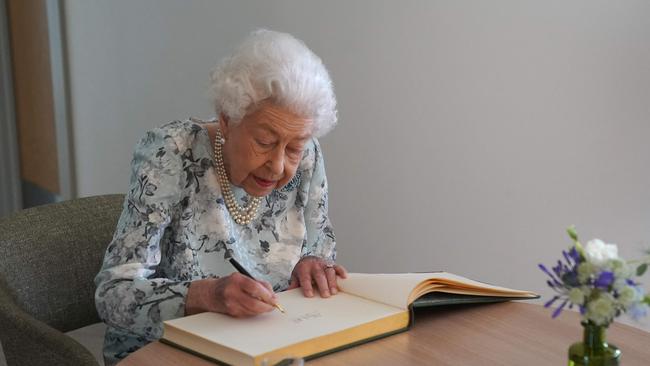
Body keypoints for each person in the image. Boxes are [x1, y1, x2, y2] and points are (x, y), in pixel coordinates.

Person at [94, 29, 347, 365]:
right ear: (227, 120)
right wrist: (207, 295)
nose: (278, 165)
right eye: (265, 142)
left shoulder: (308, 156)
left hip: (267, 345)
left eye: (294, 147)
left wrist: (313, 264)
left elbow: (318, 245)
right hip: (166, 351)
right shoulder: (171, 153)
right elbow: (113, 294)